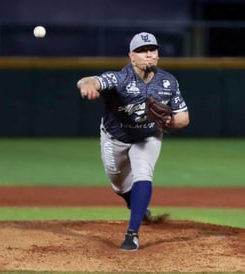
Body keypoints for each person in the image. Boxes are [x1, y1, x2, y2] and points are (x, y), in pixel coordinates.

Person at [76, 32, 190, 251]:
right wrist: (86, 85)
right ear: (131, 56)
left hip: (148, 136)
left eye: (152, 50)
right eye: (142, 51)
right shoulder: (119, 79)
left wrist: (168, 121)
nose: (148, 54)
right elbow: (90, 80)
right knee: (118, 184)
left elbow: (184, 118)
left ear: (157, 55)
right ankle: (133, 202)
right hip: (115, 137)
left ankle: (132, 234)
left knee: (143, 173)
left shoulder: (168, 81)